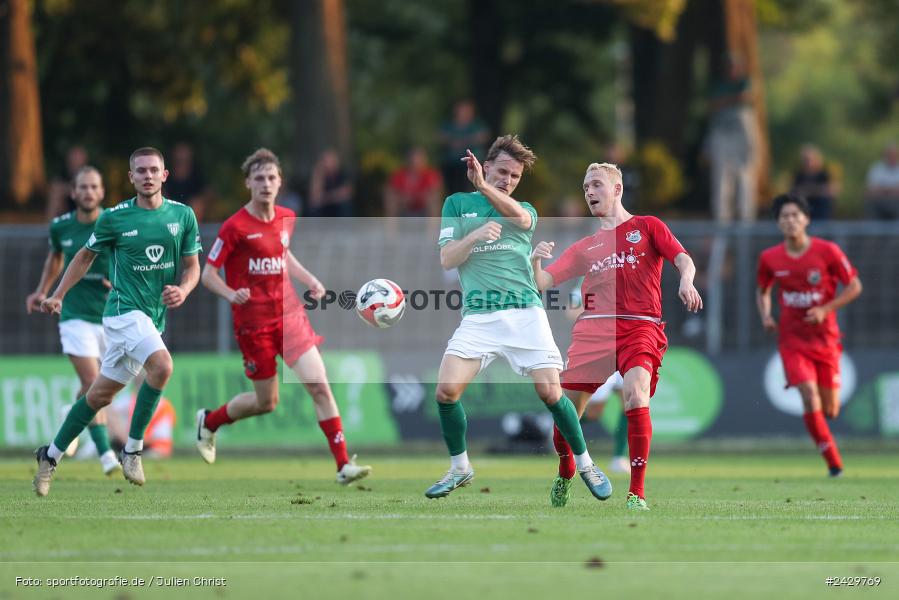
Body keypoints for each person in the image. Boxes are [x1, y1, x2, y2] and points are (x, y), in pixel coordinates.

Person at [426, 135, 612, 502]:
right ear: (487, 166)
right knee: (445, 392)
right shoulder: (457, 204)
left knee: (550, 392)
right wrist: (475, 235)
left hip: (525, 312)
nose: (508, 181)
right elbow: (447, 259)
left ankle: (587, 464)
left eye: (515, 176)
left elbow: (522, 219)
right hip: (480, 316)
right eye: (502, 172)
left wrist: (485, 187)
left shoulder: (523, 208)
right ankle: (460, 467)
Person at [530, 162, 703, 511]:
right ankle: (566, 470)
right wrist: (535, 262)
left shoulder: (648, 227)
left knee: (636, 395)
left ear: (618, 189)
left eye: (596, 185)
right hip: (594, 331)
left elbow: (683, 259)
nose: (589, 192)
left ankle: (636, 493)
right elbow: (543, 282)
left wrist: (686, 280)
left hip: (640, 326)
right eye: (585, 188)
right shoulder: (586, 246)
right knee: (565, 413)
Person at [32, 147, 202, 496]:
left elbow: (193, 267)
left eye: (153, 170)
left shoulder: (183, 216)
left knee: (98, 395)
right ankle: (133, 450)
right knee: (162, 366)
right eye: (141, 170)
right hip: (122, 313)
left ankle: (49, 456)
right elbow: (83, 257)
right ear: (131, 177)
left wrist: (184, 289)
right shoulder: (115, 218)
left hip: (152, 318)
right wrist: (58, 294)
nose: (147, 175)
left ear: (165, 175)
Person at [195, 148, 371, 484]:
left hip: (289, 317)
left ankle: (342, 465)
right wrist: (231, 294)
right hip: (254, 325)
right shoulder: (234, 227)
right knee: (266, 402)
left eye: (271, 178)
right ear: (248, 183)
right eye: (259, 178)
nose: (265, 184)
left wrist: (310, 279)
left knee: (319, 386)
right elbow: (208, 275)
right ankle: (210, 421)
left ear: (280, 182)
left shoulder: (287, 216)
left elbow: (282, 254)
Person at [756, 194, 862, 477]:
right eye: (784, 216)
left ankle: (830, 453)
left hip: (826, 339)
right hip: (792, 340)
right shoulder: (769, 258)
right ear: (778, 223)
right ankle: (834, 464)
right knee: (808, 394)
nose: (790, 220)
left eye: (795, 215)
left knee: (830, 409)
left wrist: (825, 309)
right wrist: (766, 315)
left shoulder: (828, 251)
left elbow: (854, 286)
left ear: (806, 219)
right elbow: (763, 290)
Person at [26, 166, 120, 476]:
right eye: (83, 187)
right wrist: (42, 291)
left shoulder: (113, 222)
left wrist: (119, 282)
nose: (88, 192)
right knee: (93, 383)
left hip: (110, 316)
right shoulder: (60, 227)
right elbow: (55, 258)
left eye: (94, 186)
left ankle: (73, 414)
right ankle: (107, 455)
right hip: (74, 316)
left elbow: (128, 259)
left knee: (100, 390)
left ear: (102, 192)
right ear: (73, 192)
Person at [704, 55, 759, 223]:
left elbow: (745, 97)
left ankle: (746, 219)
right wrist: (731, 99)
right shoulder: (719, 85)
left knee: (744, 177)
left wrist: (724, 101)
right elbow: (713, 104)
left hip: (741, 131)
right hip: (722, 132)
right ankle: (721, 220)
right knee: (721, 179)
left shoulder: (744, 82)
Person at [438, 100, 490, 194]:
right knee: (451, 189)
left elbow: (484, 136)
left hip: (471, 164)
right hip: (451, 163)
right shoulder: (449, 124)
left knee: (469, 189)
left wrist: (463, 141)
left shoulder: (477, 124)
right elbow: (440, 137)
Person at [384, 147, 443, 218]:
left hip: (423, 207)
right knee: (391, 198)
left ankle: (432, 225)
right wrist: (402, 198)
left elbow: (434, 191)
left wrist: (417, 197)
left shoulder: (430, 174)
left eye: (418, 158)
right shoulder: (399, 174)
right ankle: (391, 224)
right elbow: (391, 189)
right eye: (413, 158)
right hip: (404, 205)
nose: (415, 161)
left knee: (432, 200)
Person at [162, 142, 212, 222]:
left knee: (197, 206)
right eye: (179, 152)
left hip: (192, 209)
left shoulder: (197, 174)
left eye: (184, 152)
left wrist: (199, 200)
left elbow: (208, 192)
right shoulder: (167, 174)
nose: (182, 156)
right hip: (171, 207)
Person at [791, 145, 836, 221]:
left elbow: (831, 190)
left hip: (820, 207)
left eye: (809, 159)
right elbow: (795, 191)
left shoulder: (823, 174)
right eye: (805, 159)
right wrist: (816, 189)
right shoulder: (799, 175)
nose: (807, 162)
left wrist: (809, 190)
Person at [46, 145, 89, 218]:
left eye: (77, 159)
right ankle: (51, 222)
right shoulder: (62, 175)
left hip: (85, 210)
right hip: (67, 211)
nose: (75, 161)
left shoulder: (90, 175)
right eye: (73, 158)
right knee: (56, 193)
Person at [307, 149, 353, 217]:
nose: (328, 164)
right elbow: (315, 199)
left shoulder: (343, 174)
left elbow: (347, 193)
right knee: (314, 209)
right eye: (326, 161)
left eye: (331, 160)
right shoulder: (319, 174)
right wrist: (335, 195)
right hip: (323, 209)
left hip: (337, 207)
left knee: (345, 205)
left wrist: (326, 198)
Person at [864, 143, 899, 220]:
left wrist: (883, 189)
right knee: (870, 201)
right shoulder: (877, 168)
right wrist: (892, 190)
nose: (892, 157)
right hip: (879, 202)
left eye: (894, 154)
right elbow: (871, 190)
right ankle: (873, 227)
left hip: (896, 202)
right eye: (889, 154)